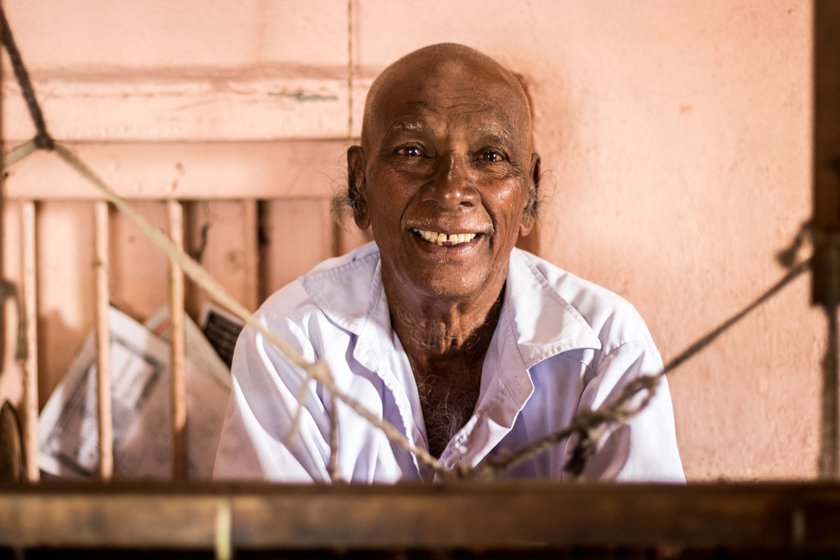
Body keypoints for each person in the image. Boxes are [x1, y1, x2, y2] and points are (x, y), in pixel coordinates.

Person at [213, 43, 684, 483]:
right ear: (361, 185)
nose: (451, 189)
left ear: (529, 194)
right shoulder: (293, 341)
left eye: (490, 156)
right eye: (413, 152)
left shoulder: (604, 350)